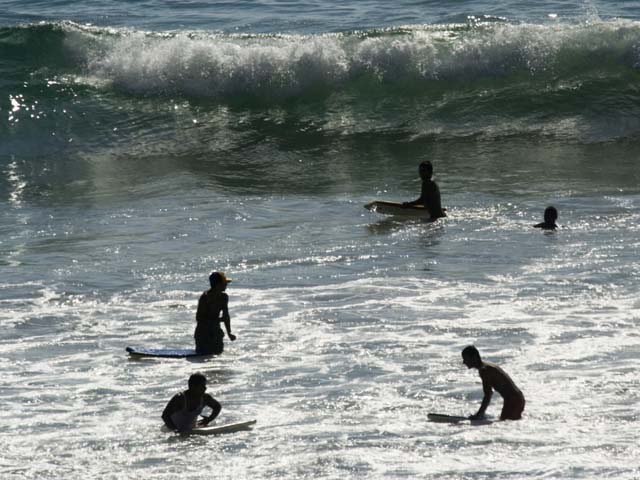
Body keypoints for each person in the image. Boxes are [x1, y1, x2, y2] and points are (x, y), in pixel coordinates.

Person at [461, 345, 525, 421]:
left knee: (504, 425)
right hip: (517, 398)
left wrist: (478, 415)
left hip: (513, 400)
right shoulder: (486, 366)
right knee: (507, 423)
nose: (464, 362)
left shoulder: (485, 370)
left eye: (465, 359)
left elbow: (488, 395)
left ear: (474, 357)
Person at [194, 271, 236, 355]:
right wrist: (218, 320)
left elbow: (226, 316)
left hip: (216, 333)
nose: (226, 285)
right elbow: (199, 318)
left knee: (217, 358)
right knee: (204, 357)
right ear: (218, 285)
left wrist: (229, 333)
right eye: (224, 283)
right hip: (203, 334)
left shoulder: (224, 297)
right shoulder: (205, 297)